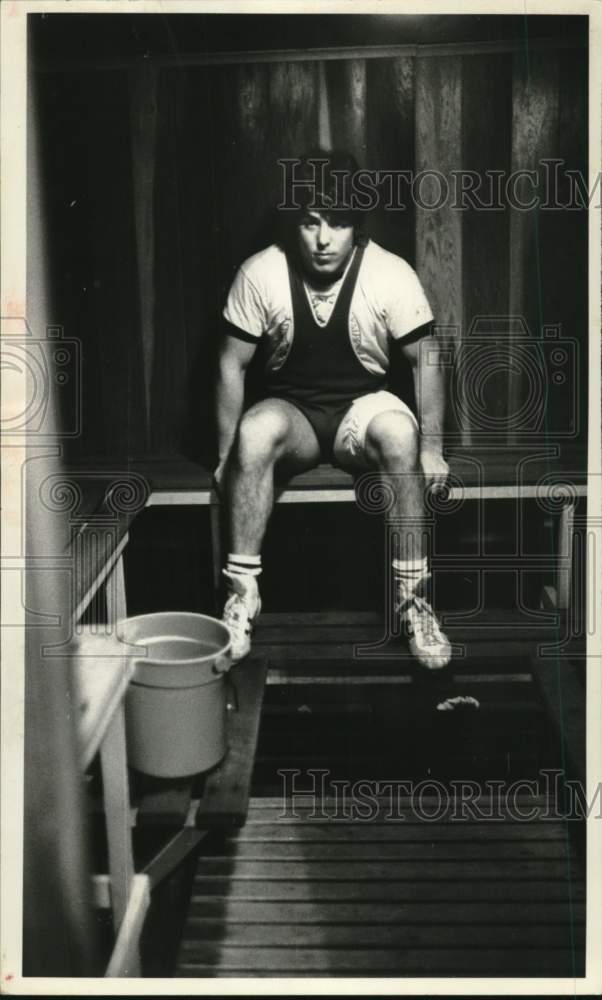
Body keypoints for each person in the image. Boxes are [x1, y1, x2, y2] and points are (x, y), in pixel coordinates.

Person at [214, 150, 451, 670]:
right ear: (294, 224)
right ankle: (242, 597)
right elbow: (231, 363)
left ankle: (412, 598)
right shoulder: (261, 273)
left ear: (356, 228)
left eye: (338, 224)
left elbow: (425, 358)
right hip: (292, 414)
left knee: (398, 433)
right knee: (252, 436)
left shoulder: (390, 273)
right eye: (310, 222)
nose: (323, 240)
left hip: (358, 412)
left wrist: (432, 447)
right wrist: (225, 455)